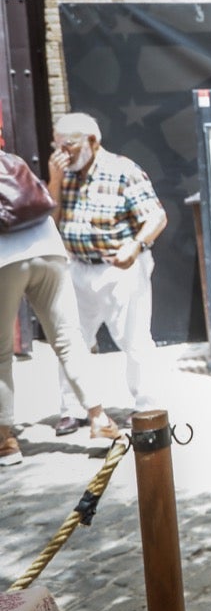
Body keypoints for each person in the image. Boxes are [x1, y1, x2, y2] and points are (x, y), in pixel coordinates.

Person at [0, 149, 122, 466]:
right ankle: (99, 419)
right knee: (69, 338)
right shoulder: (15, 161)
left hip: (4, 259)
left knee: (0, 354)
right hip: (48, 247)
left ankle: (5, 441)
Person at [46, 112, 167, 427]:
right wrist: (54, 181)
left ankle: (147, 407)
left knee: (134, 338)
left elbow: (156, 217)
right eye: (56, 146)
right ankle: (73, 408)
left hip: (119, 267)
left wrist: (136, 245)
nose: (62, 153)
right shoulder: (64, 173)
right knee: (72, 339)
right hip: (77, 265)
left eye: (68, 145)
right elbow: (50, 221)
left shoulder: (123, 170)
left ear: (92, 141)